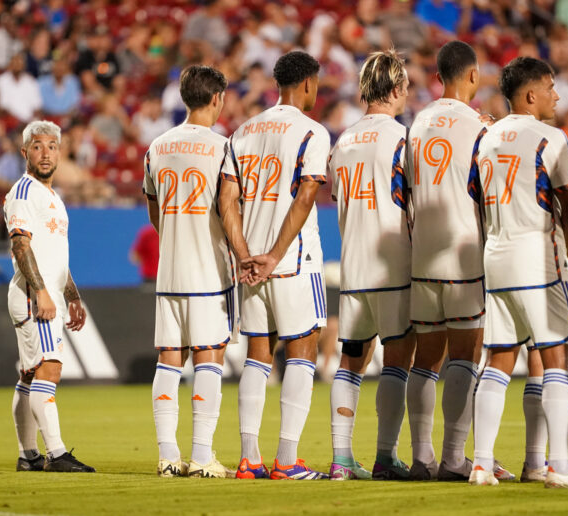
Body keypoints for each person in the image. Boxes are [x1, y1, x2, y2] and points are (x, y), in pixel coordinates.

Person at [470, 56, 568, 489]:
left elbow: (476, 199)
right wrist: (563, 255)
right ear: (530, 96)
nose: (556, 94)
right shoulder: (551, 137)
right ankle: (558, 466)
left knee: (500, 358)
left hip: (497, 254)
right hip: (535, 255)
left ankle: (482, 464)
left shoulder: (485, 139)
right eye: (549, 86)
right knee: (557, 355)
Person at [219, 51, 330, 480]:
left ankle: (249, 459)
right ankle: (286, 460)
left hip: (250, 267)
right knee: (303, 352)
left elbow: (227, 199)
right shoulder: (312, 132)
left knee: (257, 358)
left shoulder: (243, 132)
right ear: (307, 84)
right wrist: (275, 255)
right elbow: (305, 196)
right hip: (292, 262)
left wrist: (246, 253)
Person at [405, 40, 493, 482]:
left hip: (421, 252)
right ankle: (454, 458)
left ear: (439, 76)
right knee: (465, 351)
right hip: (463, 251)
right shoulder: (479, 126)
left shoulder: (417, 122)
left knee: (426, 356)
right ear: (473, 75)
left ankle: (421, 458)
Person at [325, 49, 415, 480]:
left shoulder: (341, 141)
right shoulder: (401, 139)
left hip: (353, 266)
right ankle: (385, 455)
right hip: (393, 264)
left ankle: (341, 458)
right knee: (398, 358)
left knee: (351, 360)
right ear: (396, 88)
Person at [142, 65, 236, 478]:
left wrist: (175, 234)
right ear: (217, 99)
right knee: (209, 357)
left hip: (170, 272)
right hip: (208, 271)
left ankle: (167, 457)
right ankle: (201, 456)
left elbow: (154, 210)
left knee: (168, 359)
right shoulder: (222, 147)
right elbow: (231, 209)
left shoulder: (157, 147)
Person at [4, 120, 94, 473]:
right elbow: (20, 244)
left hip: (44, 293)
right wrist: (42, 291)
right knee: (49, 369)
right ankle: (55, 454)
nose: (46, 153)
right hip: (33, 296)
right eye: (38, 146)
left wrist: (71, 294)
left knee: (29, 376)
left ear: (61, 151)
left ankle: (28, 455)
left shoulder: (51, 197)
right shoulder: (24, 192)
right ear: (25, 152)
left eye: (52, 146)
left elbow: (53, 252)